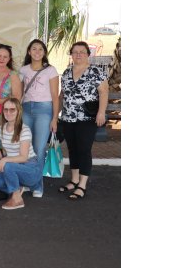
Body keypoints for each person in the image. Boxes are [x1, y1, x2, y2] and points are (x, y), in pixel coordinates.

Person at [58, 41, 108, 200]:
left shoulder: (96, 71)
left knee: (84, 150)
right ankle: (74, 180)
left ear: (88, 54)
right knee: (72, 149)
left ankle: (82, 184)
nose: (78, 54)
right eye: (75, 52)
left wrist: (101, 112)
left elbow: (104, 93)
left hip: (87, 118)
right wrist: (56, 116)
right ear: (71, 55)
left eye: (82, 51)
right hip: (68, 118)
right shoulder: (66, 73)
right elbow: (62, 96)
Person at [0, 98, 41, 210]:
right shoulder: (2, 129)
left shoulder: (24, 130)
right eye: (6, 109)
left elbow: (23, 157)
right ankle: (17, 187)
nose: (8, 112)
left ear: (18, 111)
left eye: (12, 110)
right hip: (13, 168)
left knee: (7, 165)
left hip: (30, 168)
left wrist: (4, 160)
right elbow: (6, 151)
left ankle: (17, 198)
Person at [19, 39, 60, 180]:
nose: (37, 52)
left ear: (44, 52)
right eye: (34, 49)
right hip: (26, 109)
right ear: (29, 52)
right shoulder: (23, 70)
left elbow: (55, 96)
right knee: (25, 145)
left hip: (44, 110)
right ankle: (26, 177)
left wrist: (55, 118)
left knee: (39, 146)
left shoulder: (50, 70)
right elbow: (20, 94)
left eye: (40, 49)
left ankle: (37, 182)